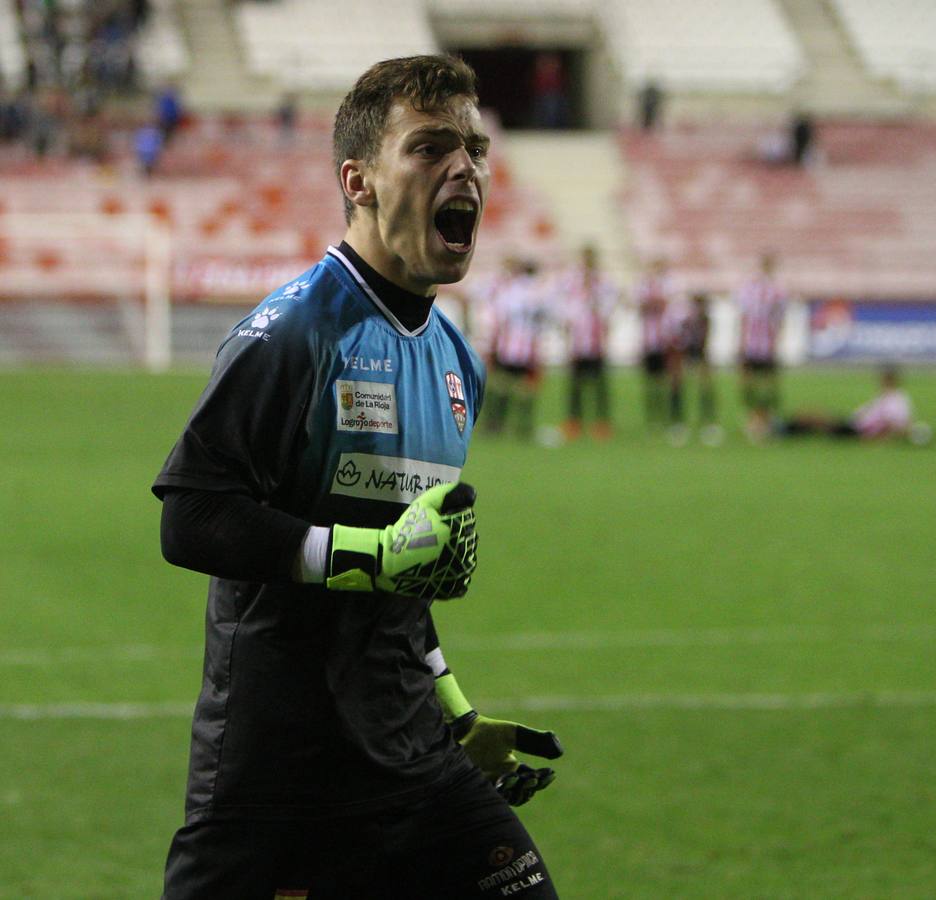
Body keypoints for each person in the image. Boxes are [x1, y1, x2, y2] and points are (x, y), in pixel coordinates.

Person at [152, 56, 563, 899]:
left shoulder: (456, 363)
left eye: (476, 148)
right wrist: (366, 553)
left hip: (417, 760)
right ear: (360, 180)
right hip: (280, 781)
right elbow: (191, 514)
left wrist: (456, 712)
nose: (467, 169)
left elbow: (403, 586)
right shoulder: (296, 331)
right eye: (432, 147)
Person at [775, 365, 930, 444]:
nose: (880, 381)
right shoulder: (892, 397)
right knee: (814, 420)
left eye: (883, 379)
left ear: (890, 380)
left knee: (814, 417)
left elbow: (893, 424)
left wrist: (876, 440)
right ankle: (786, 429)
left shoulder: (895, 399)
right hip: (855, 424)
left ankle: (781, 430)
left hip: (858, 430)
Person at [484, 256, 548, 440]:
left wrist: (492, 346)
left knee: (500, 385)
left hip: (508, 346)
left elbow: (499, 320)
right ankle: (523, 427)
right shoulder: (539, 293)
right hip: (528, 348)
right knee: (526, 389)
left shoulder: (510, 291)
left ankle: (496, 424)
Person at [560, 243, 618, 441]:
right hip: (578, 342)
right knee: (575, 385)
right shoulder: (572, 281)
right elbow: (566, 308)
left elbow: (609, 308)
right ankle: (574, 422)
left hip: (596, 342)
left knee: (599, 385)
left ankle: (601, 423)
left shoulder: (603, 283)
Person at [735, 252, 789, 441]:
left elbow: (781, 317)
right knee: (748, 382)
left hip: (767, 343)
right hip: (751, 343)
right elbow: (743, 316)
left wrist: (777, 340)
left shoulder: (778, 290)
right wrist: (741, 342)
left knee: (769, 383)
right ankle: (751, 415)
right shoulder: (748, 288)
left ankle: (767, 418)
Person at [667, 291, 723, 446]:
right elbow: (679, 340)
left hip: (699, 356)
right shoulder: (686, 321)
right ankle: (678, 423)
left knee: (705, 389)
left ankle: (708, 423)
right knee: (677, 387)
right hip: (686, 355)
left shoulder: (705, 320)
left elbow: (705, 342)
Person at [632, 257, 677, 431]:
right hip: (649, 341)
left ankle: (667, 415)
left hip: (666, 340)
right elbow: (641, 306)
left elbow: (668, 306)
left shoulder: (670, 284)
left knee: (666, 379)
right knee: (650, 381)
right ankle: (653, 416)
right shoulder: (644, 285)